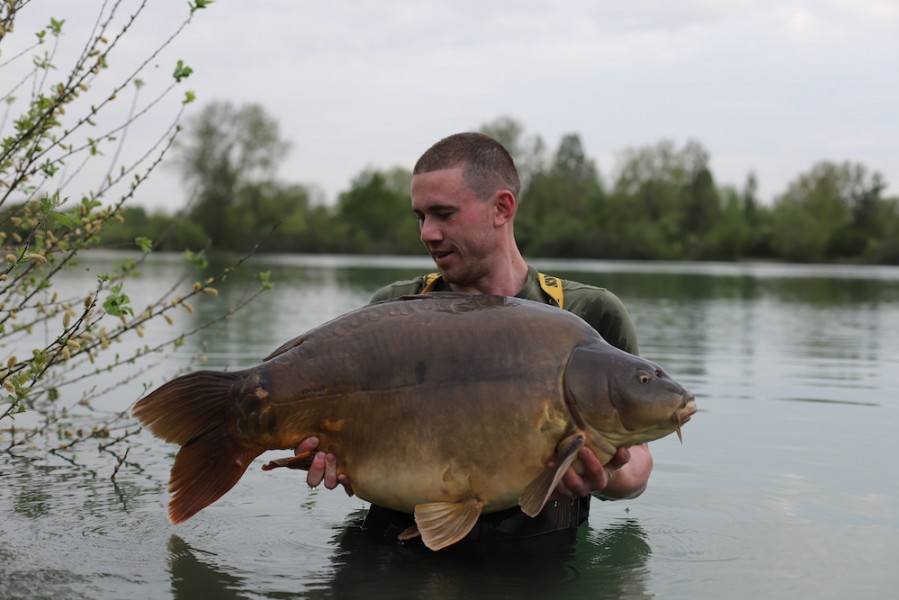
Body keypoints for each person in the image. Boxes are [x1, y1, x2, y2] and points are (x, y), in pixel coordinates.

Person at [296, 132, 653, 543]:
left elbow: (638, 464)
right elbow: (340, 436)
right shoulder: (392, 313)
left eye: (444, 214)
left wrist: (606, 474)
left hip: (536, 563)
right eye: (420, 217)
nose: (427, 233)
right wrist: (330, 454)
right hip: (394, 552)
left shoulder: (589, 314)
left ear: (502, 208)